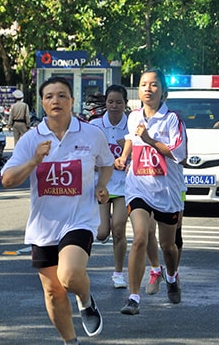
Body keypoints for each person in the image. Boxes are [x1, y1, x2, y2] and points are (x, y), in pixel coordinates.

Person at [1, 76, 114, 344]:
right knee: (53, 292)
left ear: (72, 101)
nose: (56, 100)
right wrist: (35, 160)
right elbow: (7, 180)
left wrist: (102, 185)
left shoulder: (91, 133)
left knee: (70, 275)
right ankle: (70, 341)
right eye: (50, 96)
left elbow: (107, 162)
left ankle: (86, 300)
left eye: (62, 95)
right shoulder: (31, 139)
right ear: (42, 103)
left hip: (79, 220)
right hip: (44, 226)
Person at [114, 69, 187, 315]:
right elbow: (130, 139)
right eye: (144, 84)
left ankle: (172, 275)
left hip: (166, 190)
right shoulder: (134, 117)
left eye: (154, 84)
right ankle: (133, 298)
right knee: (141, 237)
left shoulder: (172, 120)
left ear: (162, 90)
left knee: (168, 246)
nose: (148, 88)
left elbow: (179, 154)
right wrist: (123, 158)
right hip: (138, 188)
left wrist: (148, 138)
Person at [89, 85, 129, 289]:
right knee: (103, 232)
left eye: (119, 102)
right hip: (102, 185)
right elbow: (87, 156)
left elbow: (140, 156)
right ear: (105, 102)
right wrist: (108, 162)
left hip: (124, 187)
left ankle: (118, 273)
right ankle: (109, 221)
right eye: (111, 102)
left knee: (119, 230)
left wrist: (127, 157)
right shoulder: (95, 126)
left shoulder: (132, 126)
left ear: (125, 104)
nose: (114, 106)